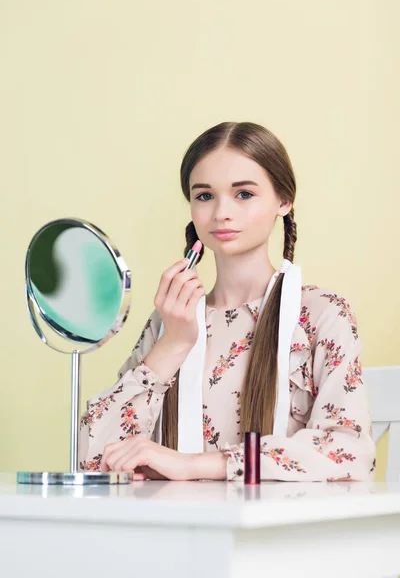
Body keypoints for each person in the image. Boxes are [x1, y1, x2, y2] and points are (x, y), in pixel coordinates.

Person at [80, 122, 376, 482]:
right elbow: (92, 460)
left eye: (244, 194)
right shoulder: (173, 320)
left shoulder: (320, 315)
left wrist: (193, 466)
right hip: (175, 530)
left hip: (276, 533)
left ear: (283, 201)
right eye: (204, 196)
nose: (221, 212)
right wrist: (173, 344)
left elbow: (348, 453)